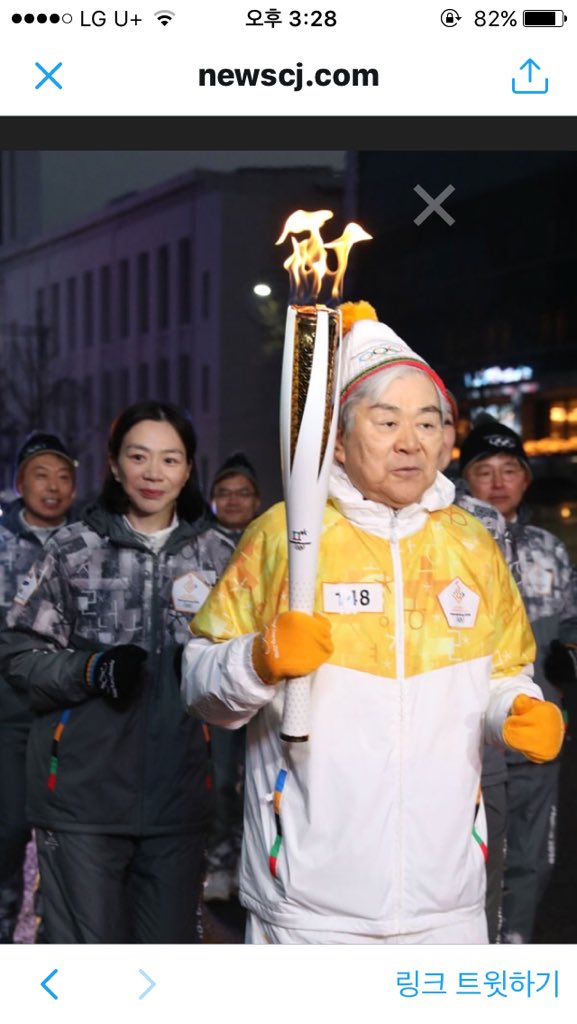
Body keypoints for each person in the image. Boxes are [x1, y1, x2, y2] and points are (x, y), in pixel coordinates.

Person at [181, 309, 564, 944]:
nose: (410, 441)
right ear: (335, 437)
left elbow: (502, 673)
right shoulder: (282, 537)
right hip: (306, 904)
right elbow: (200, 686)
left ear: (448, 441)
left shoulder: (471, 544)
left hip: (448, 901)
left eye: (429, 422)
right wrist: (258, 661)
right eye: (386, 422)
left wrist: (519, 709)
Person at [0, 401, 234, 943]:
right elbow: (18, 655)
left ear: (188, 469)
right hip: (82, 802)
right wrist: (91, 670)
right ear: (114, 463)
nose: (154, 474)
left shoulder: (218, 557)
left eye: (170, 460)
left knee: (164, 967)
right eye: (139, 457)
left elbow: (242, 666)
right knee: (89, 970)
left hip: (179, 800)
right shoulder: (74, 550)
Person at [459, 416, 577, 943]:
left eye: (511, 470)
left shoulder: (549, 549)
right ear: (466, 479)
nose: (499, 481)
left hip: (535, 736)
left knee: (533, 860)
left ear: (526, 480)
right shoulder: (450, 542)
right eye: (485, 470)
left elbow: (572, 624)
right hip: (467, 740)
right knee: (473, 866)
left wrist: (568, 656)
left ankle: (516, 956)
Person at [0, 432, 78, 943]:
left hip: (71, 707)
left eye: (64, 477)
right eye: (40, 475)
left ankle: (59, 928)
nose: (52, 487)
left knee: (67, 830)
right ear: (20, 482)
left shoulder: (87, 542)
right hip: (8, 707)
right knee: (8, 825)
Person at [203, 451, 261, 902]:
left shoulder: (273, 539)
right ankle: (220, 862)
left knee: (259, 779)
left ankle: (252, 864)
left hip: (269, 679)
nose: (235, 500)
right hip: (221, 682)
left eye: (243, 493)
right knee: (221, 780)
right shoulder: (199, 546)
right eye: (225, 492)